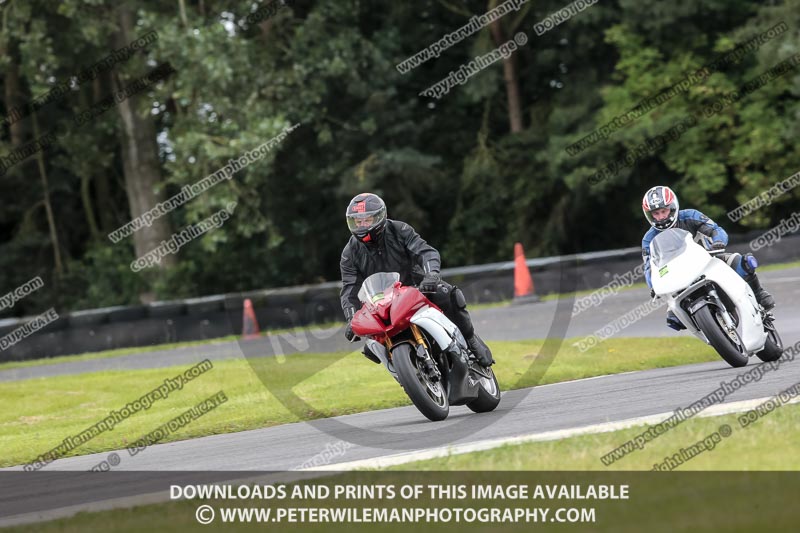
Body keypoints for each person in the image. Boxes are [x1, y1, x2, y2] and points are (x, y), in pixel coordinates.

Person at [339, 192, 494, 367]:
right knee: (370, 346)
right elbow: (349, 288)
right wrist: (352, 319)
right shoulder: (349, 252)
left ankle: (471, 339)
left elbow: (425, 252)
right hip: (382, 304)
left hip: (417, 288)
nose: (362, 225)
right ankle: (403, 370)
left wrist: (431, 275)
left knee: (448, 295)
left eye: (367, 220)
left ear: (379, 217)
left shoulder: (399, 230)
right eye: (357, 221)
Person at [641, 185, 775, 330]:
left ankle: (758, 294)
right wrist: (653, 284)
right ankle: (707, 329)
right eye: (656, 213)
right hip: (677, 278)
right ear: (649, 215)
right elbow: (649, 266)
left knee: (743, 263)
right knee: (673, 319)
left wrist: (718, 241)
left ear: (673, 207)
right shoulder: (648, 239)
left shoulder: (690, 216)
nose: (661, 217)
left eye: (663, 211)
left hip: (709, 261)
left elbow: (716, 229)